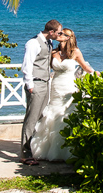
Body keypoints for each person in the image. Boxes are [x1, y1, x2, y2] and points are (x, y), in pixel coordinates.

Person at [30, 28, 97, 161]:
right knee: (52, 114)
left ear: (68, 37)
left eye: (62, 34)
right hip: (55, 86)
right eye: (59, 33)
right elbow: (43, 66)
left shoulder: (75, 52)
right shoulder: (53, 52)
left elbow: (84, 67)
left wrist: (96, 74)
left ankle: (67, 150)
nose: (59, 35)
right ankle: (49, 149)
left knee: (66, 114)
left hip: (68, 86)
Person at [20, 19, 62, 166]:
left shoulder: (49, 42)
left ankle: (34, 148)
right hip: (36, 83)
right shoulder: (33, 43)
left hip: (45, 82)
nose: (60, 34)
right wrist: (29, 84)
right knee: (31, 117)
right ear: (51, 32)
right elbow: (27, 64)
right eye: (59, 32)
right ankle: (26, 153)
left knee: (40, 116)